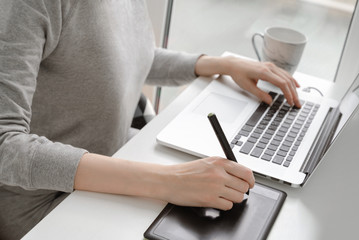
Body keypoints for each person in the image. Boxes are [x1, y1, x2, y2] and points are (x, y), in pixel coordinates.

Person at [0, 1, 300, 239]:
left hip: (113, 162)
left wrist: (219, 64)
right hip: (44, 202)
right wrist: (167, 180)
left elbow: (130, 58)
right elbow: (5, 144)